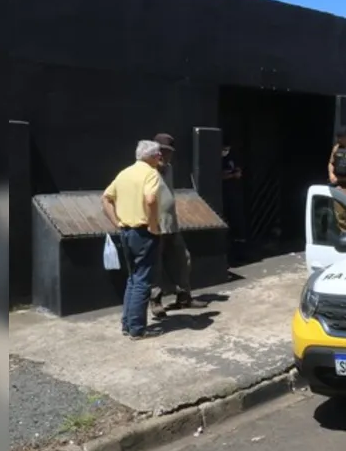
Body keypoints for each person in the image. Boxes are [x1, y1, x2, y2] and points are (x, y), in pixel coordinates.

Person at [101, 140, 164, 340]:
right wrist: (153, 225)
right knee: (143, 281)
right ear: (152, 157)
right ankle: (137, 329)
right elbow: (151, 199)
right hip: (143, 232)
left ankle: (127, 324)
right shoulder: (151, 173)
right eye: (158, 155)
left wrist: (117, 222)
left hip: (126, 232)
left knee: (132, 278)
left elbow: (105, 198)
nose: (160, 158)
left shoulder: (124, 173)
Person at [148, 134, 207, 318]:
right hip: (155, 226)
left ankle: (183, 297)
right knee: (155, 264)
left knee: (183, 258)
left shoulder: (169, 169)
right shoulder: (148, 170)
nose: (166, 155)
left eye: (169, 152)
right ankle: (156, 300)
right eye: (163, 151)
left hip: (171, 224)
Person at [221, 144, 247, 244]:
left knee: (237, 217)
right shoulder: (218, 159)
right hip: (224, 194)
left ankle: (239, 241)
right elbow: (219, 176)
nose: (225, 151)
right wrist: (232, 175)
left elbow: (239, 172)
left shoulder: (232, 158)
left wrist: (235, 173)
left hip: (234, 193)